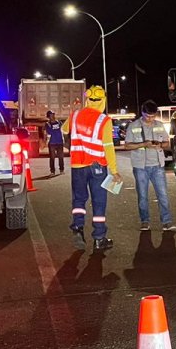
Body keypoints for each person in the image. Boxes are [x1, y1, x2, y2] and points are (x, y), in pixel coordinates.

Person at [61, 85, 121, 251]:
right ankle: (99, 238)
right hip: (97, 167)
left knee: (79, 199)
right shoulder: (104, 120)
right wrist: (114, 171)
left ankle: (78, 227)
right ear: (103, 101)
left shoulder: (75, 115)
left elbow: (64, 129)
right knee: (99, 202)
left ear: (88, 99)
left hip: (77, 166)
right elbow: (108, 146)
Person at [124, 100, 175, 232]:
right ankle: (144, 221)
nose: (150, 119)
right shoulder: (134, 126)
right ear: (142, 113)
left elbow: (167, 143)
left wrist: (160, 144)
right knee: (142, 196)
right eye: (148, 116)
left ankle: (167, 222)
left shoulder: (159, 125)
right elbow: (127, 145)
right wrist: (143, 144)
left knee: (163, 195)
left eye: (153, 116)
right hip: (140, 167)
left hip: (157, 165)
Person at [44, 110, 66, 174]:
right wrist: (46, 141)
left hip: (59, 142)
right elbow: (48, 133)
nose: (53, 116)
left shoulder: (59, 122)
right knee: (52, 158)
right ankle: (52, 171)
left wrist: (63, 139)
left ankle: (61, 170)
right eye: (51, 115)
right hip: (52, 143)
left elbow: (62, 131)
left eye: (53, 114)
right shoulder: (47, 124)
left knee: (61, 157)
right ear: (48, 116)